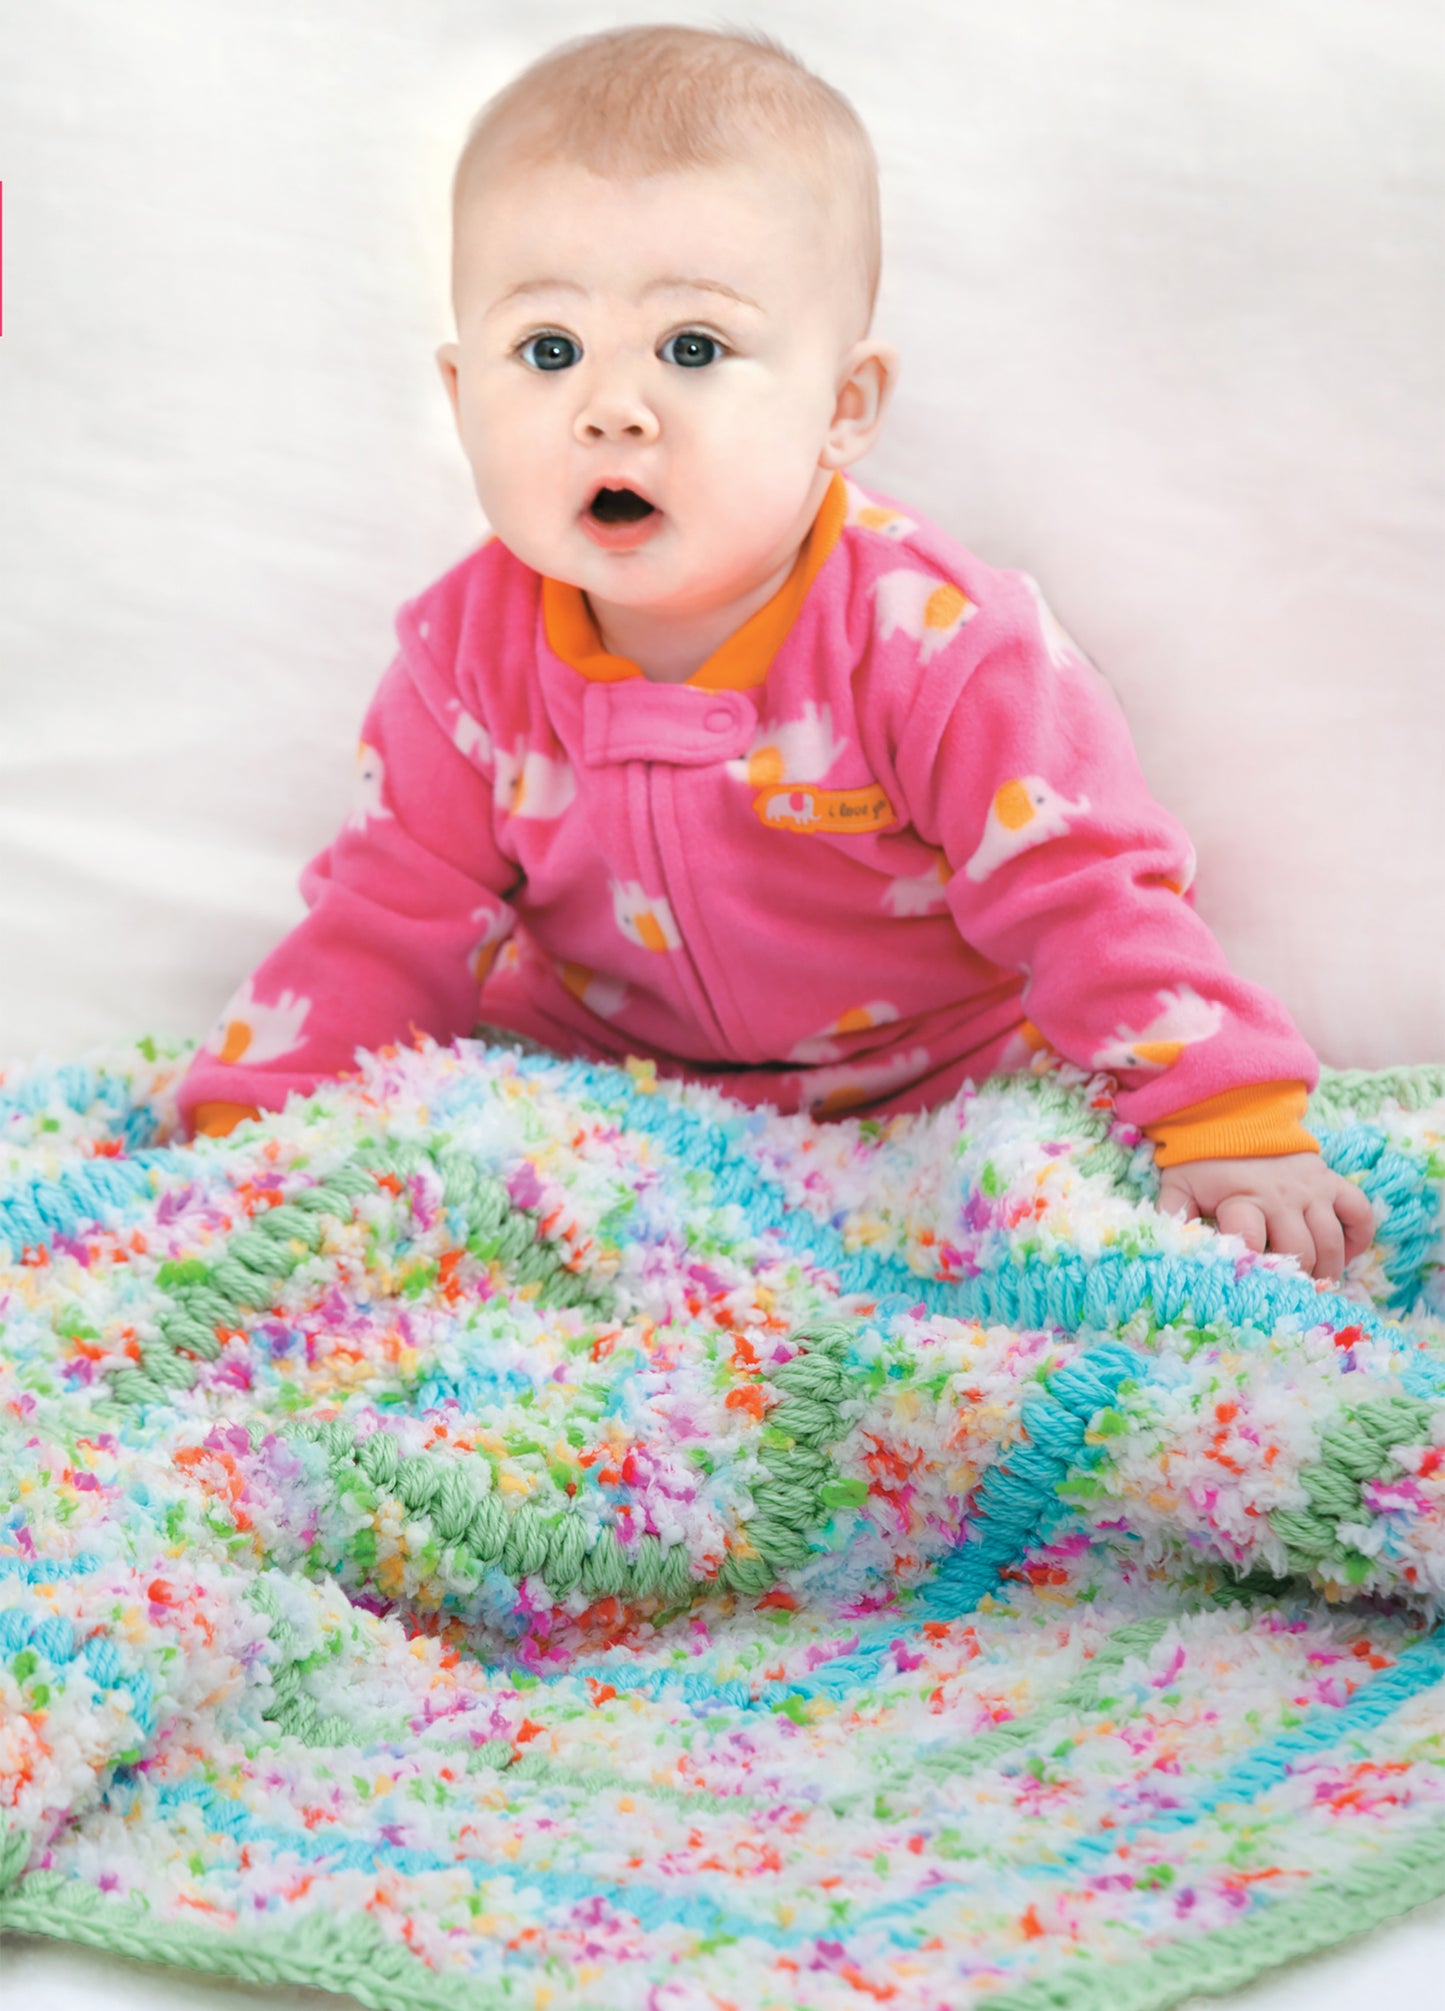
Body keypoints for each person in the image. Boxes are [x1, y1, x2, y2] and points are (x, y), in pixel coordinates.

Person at [177, 23, 1374, 1285]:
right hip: (606, 1093)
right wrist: (259, 1127)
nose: (612, 405)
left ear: (842, 407)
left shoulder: (937, 645)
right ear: (459, 386)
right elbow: (390, 914)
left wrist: (1225, 1120)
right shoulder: (464, 656)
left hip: (931, 1084)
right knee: (443, 1251)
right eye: (546, 351)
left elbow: (1083, 892)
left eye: (692, 348)